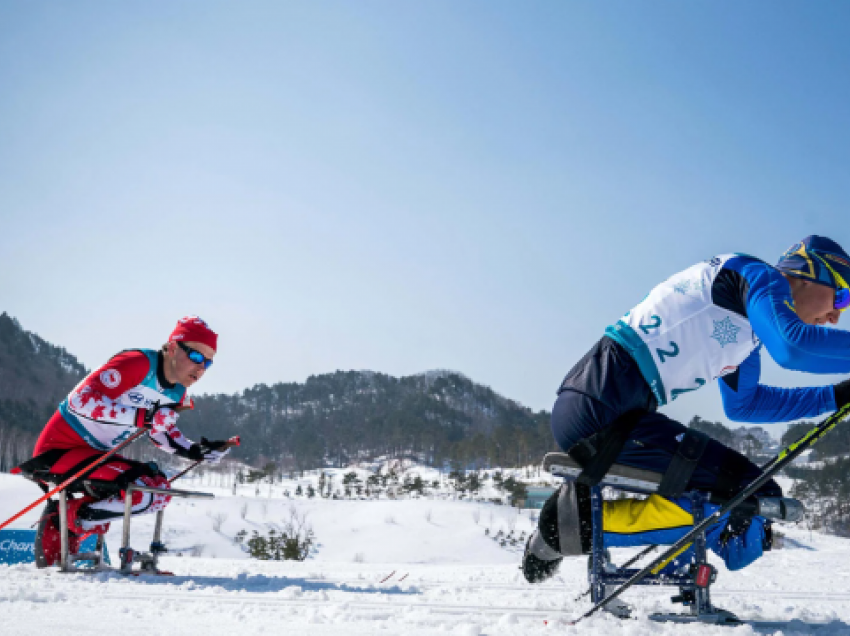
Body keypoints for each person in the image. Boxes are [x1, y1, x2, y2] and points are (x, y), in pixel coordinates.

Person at [523, 235, 850, 584]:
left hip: (610, 409)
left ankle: (683, 551)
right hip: (600, 406)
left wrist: (836, 396)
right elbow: (792, 346)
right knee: (744, 494)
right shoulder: (756, 276)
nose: (835, 316)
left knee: (752, 493)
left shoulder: (748, 329)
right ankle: (568, 525)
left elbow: (745, 404)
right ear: (808, 271)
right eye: (842, 296)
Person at [17, 316, 234, 568]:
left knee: (158, 491)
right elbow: (81, 401)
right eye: (197, 357)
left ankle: (78, 520)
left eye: (208, 362)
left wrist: (197, 450)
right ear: (173, 347)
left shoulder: (177, 391)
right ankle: (66, 519)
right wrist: (144, 415)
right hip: (59, 450)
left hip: (95, 456)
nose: (201, 368)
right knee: (141, 488)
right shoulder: (137, 363)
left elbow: (161, 433)